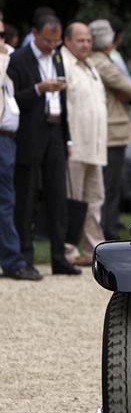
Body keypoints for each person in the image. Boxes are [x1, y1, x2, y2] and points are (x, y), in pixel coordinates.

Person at [7, 14, 79, 275]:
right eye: (47, 40)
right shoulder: (18, 59)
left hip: (56, 131)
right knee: (26, 196)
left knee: (58, 195)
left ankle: (59, 255)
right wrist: (39, 88)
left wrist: (67, 137)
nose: (51, 46)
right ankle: (25, 256)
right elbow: (12, 99)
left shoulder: (57, 56)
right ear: (35, 33)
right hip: (29, 133)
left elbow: (64, 100)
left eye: (56, 41)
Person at [89, 19, 131, 242]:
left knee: (109, 186)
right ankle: (105, 230)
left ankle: (107, 228)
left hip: (111, 131)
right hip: (111, 132)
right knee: (107, 187)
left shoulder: (99, 61)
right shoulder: (102, 62)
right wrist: (125, 92)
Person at [61, 22, 108, 265]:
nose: (85, 44)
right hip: (75, 145)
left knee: (94, 200)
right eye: (80, 40)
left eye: (88, 40)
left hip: (95, 147)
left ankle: (93, 250)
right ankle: (68, 250)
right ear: (67, 40)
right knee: (72, 199)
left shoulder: (91, 65)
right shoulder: (63, 64)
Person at [0, 17, 42, 279]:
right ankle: (13, 260)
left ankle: (13, 259)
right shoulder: (4, 60)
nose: (2, 41)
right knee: (5, 202)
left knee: (7, 201)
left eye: (3, 34)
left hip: (8, 138)